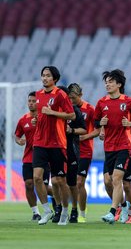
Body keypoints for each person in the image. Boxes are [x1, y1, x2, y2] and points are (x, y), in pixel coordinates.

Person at [93, 69, 131, 224]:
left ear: (119, 84)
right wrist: (100, 124)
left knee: (117, 179)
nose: (107, 84)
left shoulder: (128, 101)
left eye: (111, 82)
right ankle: (122, 205)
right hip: (109, 147)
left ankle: (112, 212)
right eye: (106, 82)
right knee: (108, 182)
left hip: (124, 146)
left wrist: (130, 124)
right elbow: (95, 122)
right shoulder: (102, 102)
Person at [33, 66, 76, 225]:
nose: (44, 78)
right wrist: (36, 120)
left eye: (48, 76)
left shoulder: (61, 94)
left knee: (59, 181)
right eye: (43, 75)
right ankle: (46, 210)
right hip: (40, 142)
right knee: (37, 177)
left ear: (55, 79)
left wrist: (53, 113)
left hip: (57, 142)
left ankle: (65, 210)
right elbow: (41, 115)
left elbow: (71, 114)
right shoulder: (38, 94)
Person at [14, 92, 50, 221]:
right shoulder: (23, 120)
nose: (31, 103)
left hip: (45, 157)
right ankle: (36, 212)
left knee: (45, 188)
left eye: (34, 101)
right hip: (29, 157)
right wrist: (19, 141)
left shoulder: (45, 117)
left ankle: (59, 199)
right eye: (29, 101)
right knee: (29, 184)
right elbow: (17, 135)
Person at [57, 85, 86, 224]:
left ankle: (74, 209)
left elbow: (83, 130)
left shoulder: (74, 111)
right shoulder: (52, 111)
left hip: (71, 150)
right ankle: (59, 209)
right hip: (55, 149)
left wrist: (72, 130)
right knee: (56, 181)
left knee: (72, 183)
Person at [69, 83, 95, 223]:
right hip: (68, 150)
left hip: (85, 150)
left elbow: (98, 130)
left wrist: (86, 137)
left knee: (80, 182)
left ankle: (82, 214)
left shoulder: (90, 109)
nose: (71, 101)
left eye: (74, 98)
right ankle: (69, 210)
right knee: (69, 183)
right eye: (69, 98)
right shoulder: (67, 109)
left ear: (80, 95)